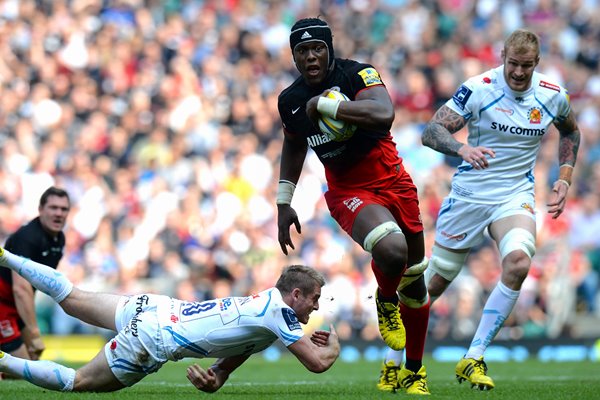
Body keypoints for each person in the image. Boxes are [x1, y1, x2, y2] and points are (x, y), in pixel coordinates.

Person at [380, 28, 581, 391]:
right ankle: (393, 362)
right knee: (434, 284)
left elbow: (571, 133)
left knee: (519, 263)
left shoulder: (553, 96)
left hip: (514, 195)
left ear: (537, 63)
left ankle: (474, 356)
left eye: (527, 66)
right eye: (513, 64)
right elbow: (432, 131)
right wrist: (462, 150)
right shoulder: (479, 88)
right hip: (470, 194)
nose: (519, 72)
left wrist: (564, 177)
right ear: (502, 55)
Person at [276, 17, 430, 394]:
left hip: (394, 180)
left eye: (317, 48)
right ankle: (385, 299)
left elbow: (383, 113)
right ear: (293, 56)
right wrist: (283, 201)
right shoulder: (289, 100)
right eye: (302, 51)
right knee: (392, 251)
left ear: (330, 49)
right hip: (349, 189)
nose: (310, 57)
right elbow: (295, 144)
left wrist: (328, 107)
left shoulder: (358, 74)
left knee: (417, 282)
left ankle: (413, 371)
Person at [0, 247, 339, 393]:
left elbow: (246, 342)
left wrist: (220, 373)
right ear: (295, 294)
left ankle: (7, 257)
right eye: (313, 299)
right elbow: (318, 364)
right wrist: (333, 344)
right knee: (79, 382)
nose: (315, 307)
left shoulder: (265, 309)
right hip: (155, 338)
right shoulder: (281, 313)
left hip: (157, 307)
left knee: (73, 297)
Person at [0, 186, 71, 365]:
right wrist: (34, 333)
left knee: (33, 361)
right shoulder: (27, 238)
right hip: (3, 302)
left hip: (14, 305)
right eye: (53, 208)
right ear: (40, 210)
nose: (59, 213)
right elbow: (21, 288)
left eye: (63, 209)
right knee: (23, 368)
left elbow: (35, 285)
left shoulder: (59, 240)